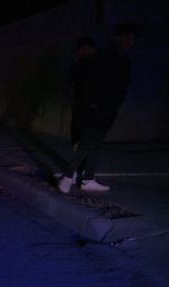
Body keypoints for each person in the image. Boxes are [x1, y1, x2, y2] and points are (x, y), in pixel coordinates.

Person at [58, 23, 139, 194]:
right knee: (86, 143)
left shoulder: (125, 60)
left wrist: (116, 106)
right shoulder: (103, 56)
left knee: (93, 144)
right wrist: (91, 102)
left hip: (109, 110)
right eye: (126, 37)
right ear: (117, 38)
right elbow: (89, 80)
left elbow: (123, 85)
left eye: (131, 39)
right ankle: (67, 178)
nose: (129, 41)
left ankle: (87, 179)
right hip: (93, 108)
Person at [69, 36, 97, 185]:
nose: (85, 51)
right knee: (78, 142)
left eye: (88, 48)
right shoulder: (77, 66)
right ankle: (75, 173)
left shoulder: (96, 67)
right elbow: (72, 85)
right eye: (82, 49)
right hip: (79, 110)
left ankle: (83, 174)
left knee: (87, 143)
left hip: (90, 111)